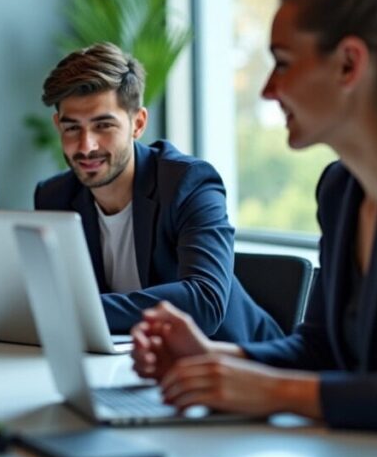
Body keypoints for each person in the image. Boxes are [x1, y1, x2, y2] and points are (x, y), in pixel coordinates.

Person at [130, 0, 377, 437]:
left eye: (283, 61)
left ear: (349, 64)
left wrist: (269, 390)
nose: (268, 89)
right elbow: (319, 349)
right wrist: (215, 358)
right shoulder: (342, 191)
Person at [34, 43, 281, 341]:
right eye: (72, 128)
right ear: (57, 125)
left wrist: (75, 310)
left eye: (103, 125)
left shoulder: (189, 183)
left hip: (239, 363)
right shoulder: (54, 197)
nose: (87, 145)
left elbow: (204, 301)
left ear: (137, 124)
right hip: (131, 364)